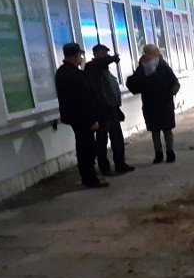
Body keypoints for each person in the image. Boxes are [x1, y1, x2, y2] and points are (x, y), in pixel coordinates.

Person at [54, 42, 108, 188]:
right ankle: (90, 179)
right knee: (87, 149)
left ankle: (89, 177)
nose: (81, 58)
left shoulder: (62, 72)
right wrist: (92, 120)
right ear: (74, 56)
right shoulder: (73, 74)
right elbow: (81, 100)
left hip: (75, 117)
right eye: (80, 55)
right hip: (82, 118)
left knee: (84, 147)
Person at [85, 44, 135, 174]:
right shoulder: (92, 67)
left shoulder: (105, 70)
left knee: (117, 138)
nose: (106, 56)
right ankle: (104, 167)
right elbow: (100, 63)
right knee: (102, 140)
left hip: (112, 109)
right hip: (101, 110)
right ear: (96, 54)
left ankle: (120, 163)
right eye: (103, 53)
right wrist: (112, 58)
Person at [126, 44, 180, 163]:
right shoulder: (142, 68)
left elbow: (175, 83)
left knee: (167, 130)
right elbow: (135, 85)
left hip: (165, 104)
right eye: (145, 53)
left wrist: (170, 93)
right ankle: (158, 154)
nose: (147, 55)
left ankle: (170, 153)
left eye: (150, 53)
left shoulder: (163, 66)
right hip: (150, 104)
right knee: (155, 131)